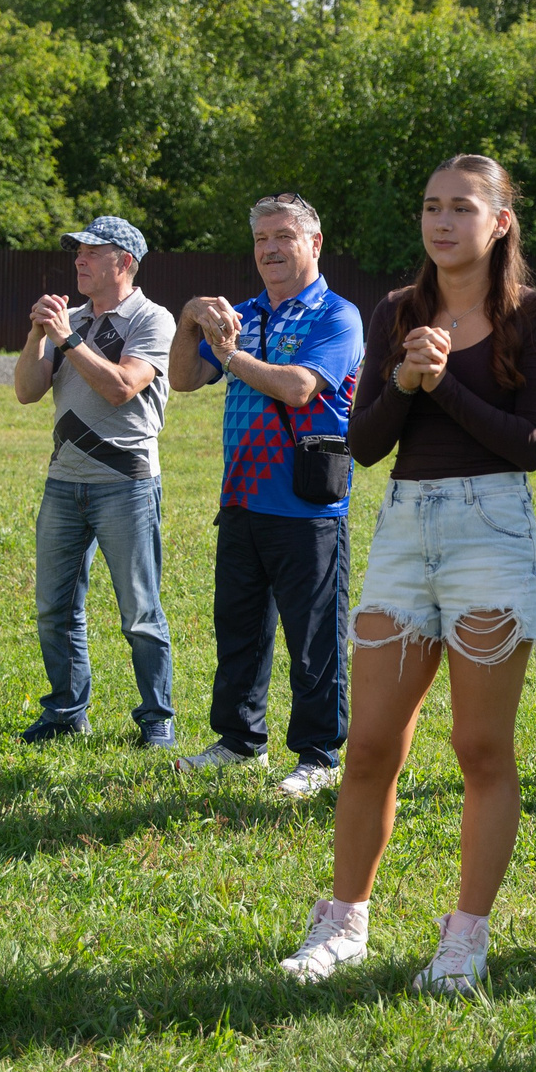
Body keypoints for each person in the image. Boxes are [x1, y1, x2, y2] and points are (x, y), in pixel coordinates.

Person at [278, 154, 536, 995]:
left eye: (463, 208)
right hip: (404, 526)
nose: (443, 223)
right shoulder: (397, 311)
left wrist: (440, 387)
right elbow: (365, 444)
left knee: (480, 746)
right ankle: (344, 919)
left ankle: (465, 937)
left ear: (500, 222)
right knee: (368, 744)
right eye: (432, 207)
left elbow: (532, 446)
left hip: (492, 526)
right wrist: (403, 379)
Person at [167, 195, 365, 798]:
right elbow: (182, 379)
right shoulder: (243, 312)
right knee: (239, 628)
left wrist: (231, 354)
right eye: (260, 240)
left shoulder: (338, 315)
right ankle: (237, 741)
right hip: (242, 498)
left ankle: (320, 754)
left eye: (283, 237)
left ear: (314, 243)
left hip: (308, 506)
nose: (270, 250)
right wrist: (186, 323)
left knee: (314, 637)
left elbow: (302, 388)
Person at [11, 216, 180, 749]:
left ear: (124, 262)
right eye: (76, 252)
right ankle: (66, 712)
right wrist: (39, 336)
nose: (79, 260)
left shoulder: (152, 319)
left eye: (91, 251)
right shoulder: (73, 318)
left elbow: (122, 387)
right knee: (55, 608)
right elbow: (26, 392)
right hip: (63, 482)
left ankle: (157, 721)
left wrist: (67, 338)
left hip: (126, 484)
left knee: (139, 612)